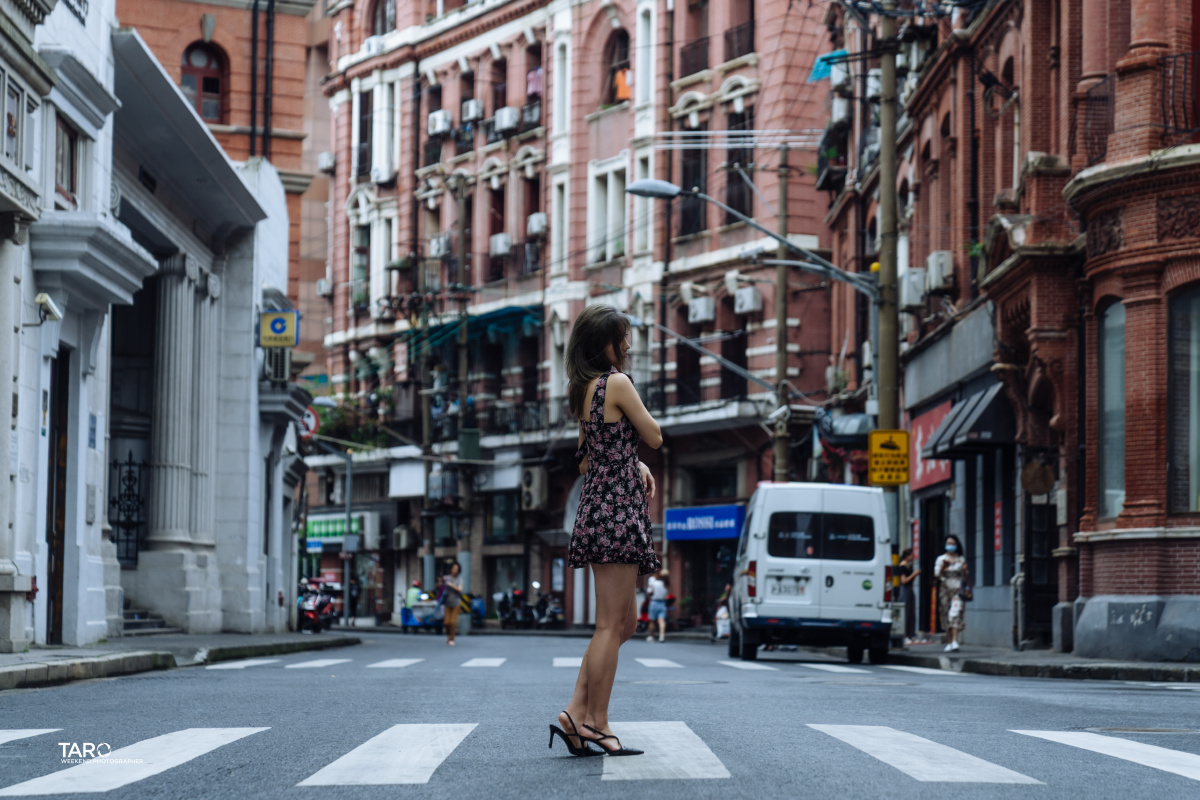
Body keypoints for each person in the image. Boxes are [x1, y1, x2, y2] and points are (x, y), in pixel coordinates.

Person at [549, 304, 662, 759]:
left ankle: (576, 711)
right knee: (609, 625)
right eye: (623, 337)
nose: (629, 346)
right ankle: (597, 721)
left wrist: (627, 460)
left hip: (601, 505)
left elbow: (584, 458)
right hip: (616, 509)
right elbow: (653, 434)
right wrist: (636, 454)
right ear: (605, 344)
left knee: (623, 624)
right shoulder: (617, 383)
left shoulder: (582, 390)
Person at [934, 535, 969, 652]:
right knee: (945, 615)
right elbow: (937, 576)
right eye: (949, 543)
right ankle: (949, 642)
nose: (951, 545)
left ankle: (955, 640)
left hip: (957, 590)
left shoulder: (961, 559)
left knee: (954, 614)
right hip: (944, 591)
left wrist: (964, 571)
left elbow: (966, 577)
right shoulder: (940, 559)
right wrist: (943, 567)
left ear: (957, 545)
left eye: (953, 543)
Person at [896, 549, 920, 644]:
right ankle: (905, 635)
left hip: (910, 589)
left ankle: (910, 634)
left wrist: (914, 575)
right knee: (906, 612)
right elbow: (904, 581)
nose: (912, 557)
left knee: (911, 612)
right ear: (906, 556)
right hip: (905, 590)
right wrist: (914, 574)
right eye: (911, 555)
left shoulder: (909, 565)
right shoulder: (902, 565)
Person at [442, 562, 464, 646]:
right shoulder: (446, 578)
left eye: (457, 569)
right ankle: (449, 635)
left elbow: (460, 589)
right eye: (454, 568)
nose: (455, 570)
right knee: (446, 622)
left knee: (452, 622)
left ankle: (451, 639)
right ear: (451, 569)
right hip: (447, 602)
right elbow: (440, 587)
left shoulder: (459, 580)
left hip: (456, 603)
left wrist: (450, 585)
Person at [645, 567, 670, 643]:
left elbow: (649, 592)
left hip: (654, 602)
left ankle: (651, 636)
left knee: (652, 621)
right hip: (662, 603)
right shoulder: (667, 585)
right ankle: (661, 636)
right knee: (662, 620)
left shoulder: (655, 583)